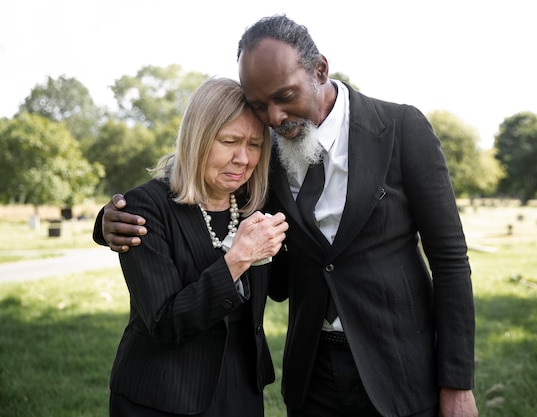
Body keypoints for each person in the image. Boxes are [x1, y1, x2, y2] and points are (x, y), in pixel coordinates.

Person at [96, 15, 478, 417]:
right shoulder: (266, 150)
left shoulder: (401, 128)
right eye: (261, 105)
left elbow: (451, 260)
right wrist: (108, 222)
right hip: (312, 374)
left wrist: (456, 383)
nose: (276, 117)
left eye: (285, 96)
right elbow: (192, 185)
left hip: (400, 370)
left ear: (320, 70)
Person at [94, 76, 288, 417]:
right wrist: (238, 259)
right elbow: (166, 324)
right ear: (197, 139)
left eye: (255, 145)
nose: (243, 158)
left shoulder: (254, 207)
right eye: (229, 141)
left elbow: (283, 286)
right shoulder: (145, 208)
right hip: (162, 394)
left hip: (241, 390)